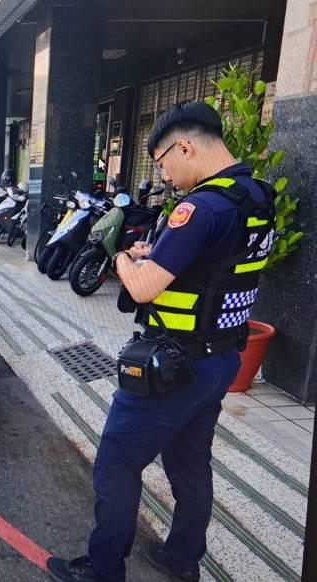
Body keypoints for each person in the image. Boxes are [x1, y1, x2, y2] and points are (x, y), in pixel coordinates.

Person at [48, 102, 276, 582]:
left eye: (163, 161)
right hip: (222, 359)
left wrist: (124, 258)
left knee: (116, 461)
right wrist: (163, 257)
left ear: (186, 146)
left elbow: (144, 287)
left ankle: (103, 570)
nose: (166, 175)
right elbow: (217, 266)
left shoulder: (200, 207)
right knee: (190, 462)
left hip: (175, 366)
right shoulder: (256, 196)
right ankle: (181, 559)